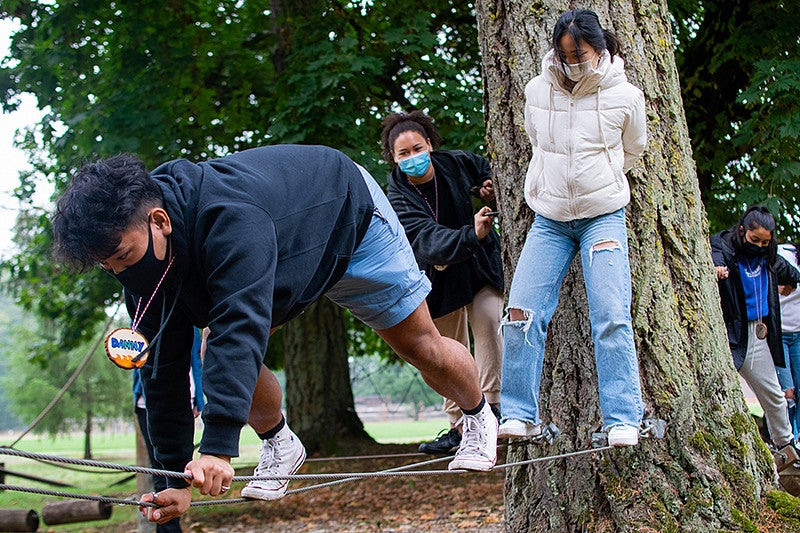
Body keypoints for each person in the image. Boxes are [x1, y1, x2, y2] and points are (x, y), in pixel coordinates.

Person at [51, 145, 498, 525]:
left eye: (123, 256)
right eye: (108, 267)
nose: (121, 272)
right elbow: (162, 371)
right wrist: (174, 478)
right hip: (285, 254)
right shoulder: (141, 271)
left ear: (160, 220)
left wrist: (218, 449)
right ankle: (280, 442)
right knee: (210, 351)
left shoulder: (228, 220)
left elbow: (240, 329)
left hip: (346, 214)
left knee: (419, 345)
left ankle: (478, 416)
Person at [498, 9, 646, 446]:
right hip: (549, 220)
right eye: (564, 55)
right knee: (521, 313)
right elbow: (535, 139)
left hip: (603, 216)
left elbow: (633, 150)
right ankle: (520, 414)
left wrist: (602, 177)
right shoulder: (536, 90)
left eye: (579, 55)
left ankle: (622, 418)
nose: (572, 63)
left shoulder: (626, 96)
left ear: (599, 51)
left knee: (610, 315)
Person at [382, 110, 504, 455]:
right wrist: (473, 233)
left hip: (478, 264)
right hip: (437, 274)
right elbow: (425, 239)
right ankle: (459, 423)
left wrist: (487, 186)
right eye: (403, 154)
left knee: (490, 318)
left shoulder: (453, 162)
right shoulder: (397, 197)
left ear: (430, 145)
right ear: (393, 157)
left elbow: (485, 168)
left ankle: (492, 404)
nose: (413, 158)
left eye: (417, 149)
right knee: (444, 349)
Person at [710, 206, 800, 471]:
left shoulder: (769, 257)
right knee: (719, 391)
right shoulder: (725, 246)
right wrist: (716, 270)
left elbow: (792, 274)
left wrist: (789, 285)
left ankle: (786, 451)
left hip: (758, 333)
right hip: (729, 333)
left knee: (774, 393)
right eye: (754, 240)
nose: (759, 246)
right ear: (742, 230)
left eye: (765, 241)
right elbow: (715, 254)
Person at [132, 328, 204, 533]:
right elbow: (134, 354)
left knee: (180, 471)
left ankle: (170, 527)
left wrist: (199, 396)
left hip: (184, 401)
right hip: (148, 403)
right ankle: (169, 529)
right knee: (160, 469)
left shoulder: (192, 319)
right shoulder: (144, 308)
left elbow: (196, 360)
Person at [777, 242, 800, 439]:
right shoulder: (783, 253)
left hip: (799, 335)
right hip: (779, 334)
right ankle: (786, 441)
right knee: (787, 392)